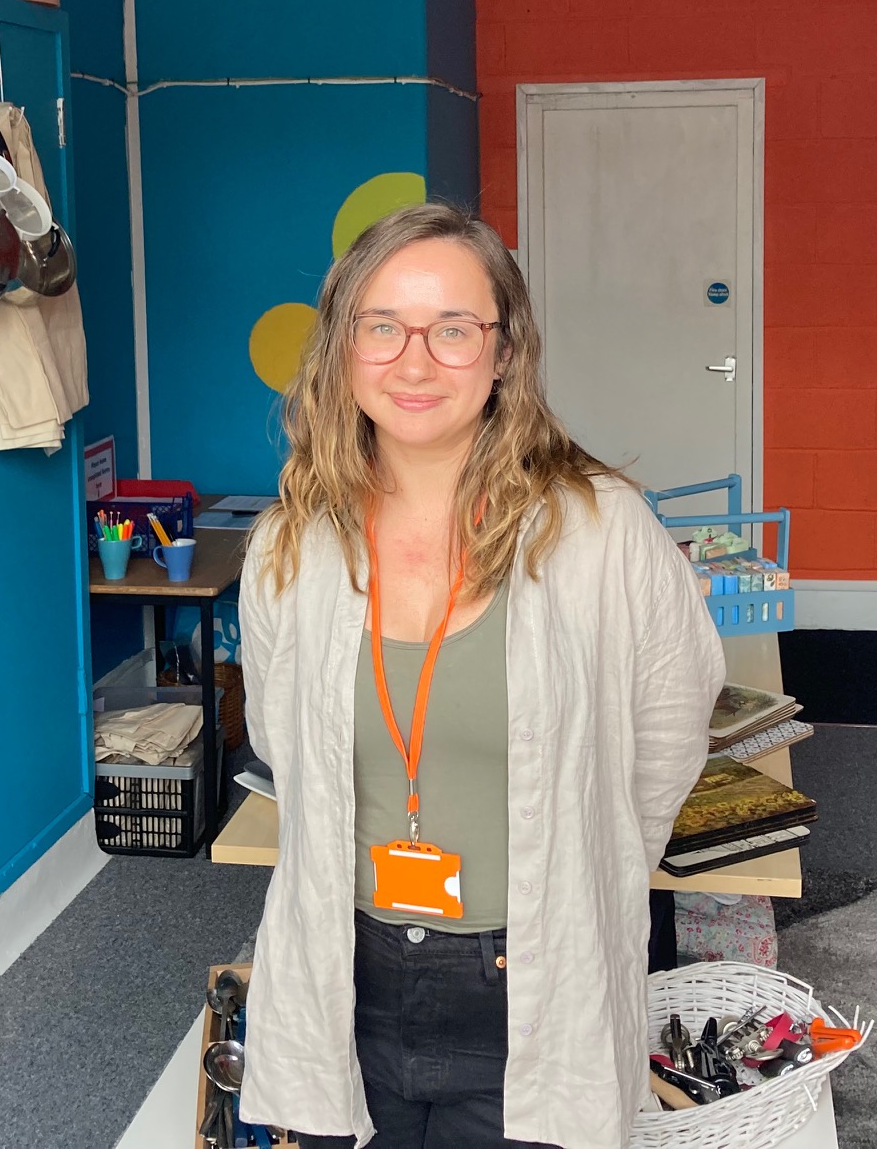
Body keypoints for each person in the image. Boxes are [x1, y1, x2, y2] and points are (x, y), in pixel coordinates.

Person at [238, 202, 726, 1149]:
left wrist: (595, 860)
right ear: (342, 346)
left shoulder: (600, 532)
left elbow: (669, 729)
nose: (414, 362)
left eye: (454, 329)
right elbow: (278, 738)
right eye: (383, 326)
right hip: (349, 970)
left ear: (505, 353)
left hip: (530, 981)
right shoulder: (288, 547)